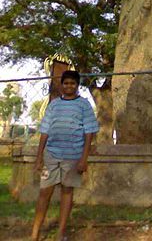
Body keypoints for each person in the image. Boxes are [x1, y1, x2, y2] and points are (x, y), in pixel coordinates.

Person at [31, 70, 99, 241]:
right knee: (44, 192)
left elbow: (89, 132)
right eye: (66, 83)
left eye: (73, 83)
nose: (69, 86)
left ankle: (61, 232)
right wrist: (39, 157)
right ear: (61, 85)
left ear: (77, 86)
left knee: (67, 191)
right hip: (51, 155)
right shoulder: (53, 105)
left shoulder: (83, 105)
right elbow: (44, 131)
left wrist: (84, 159)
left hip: (73, 157)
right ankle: (35, 233)